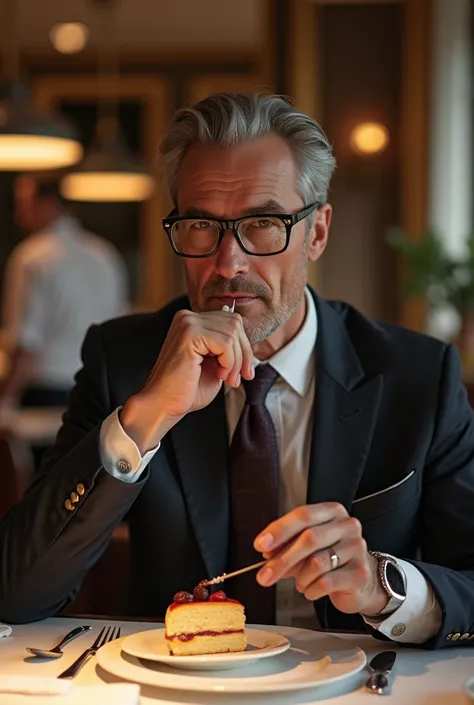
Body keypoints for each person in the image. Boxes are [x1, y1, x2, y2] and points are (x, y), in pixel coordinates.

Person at [0, 93, 473, 650]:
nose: (228, 263)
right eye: (201, 224)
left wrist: (382, 587)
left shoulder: (419, 375)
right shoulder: (124, 361)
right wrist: (145, 418)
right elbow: (16, 594)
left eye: (265, 224)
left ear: (317, 232)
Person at [0, 173, 128, 410]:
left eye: (24, 204)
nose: (19, 216)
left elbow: (26, 343)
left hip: (44, 391)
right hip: (99, 390)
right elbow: (120, 328)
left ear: (47, 204)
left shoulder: (31, 256)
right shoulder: (106, 255)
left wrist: (5, 397)